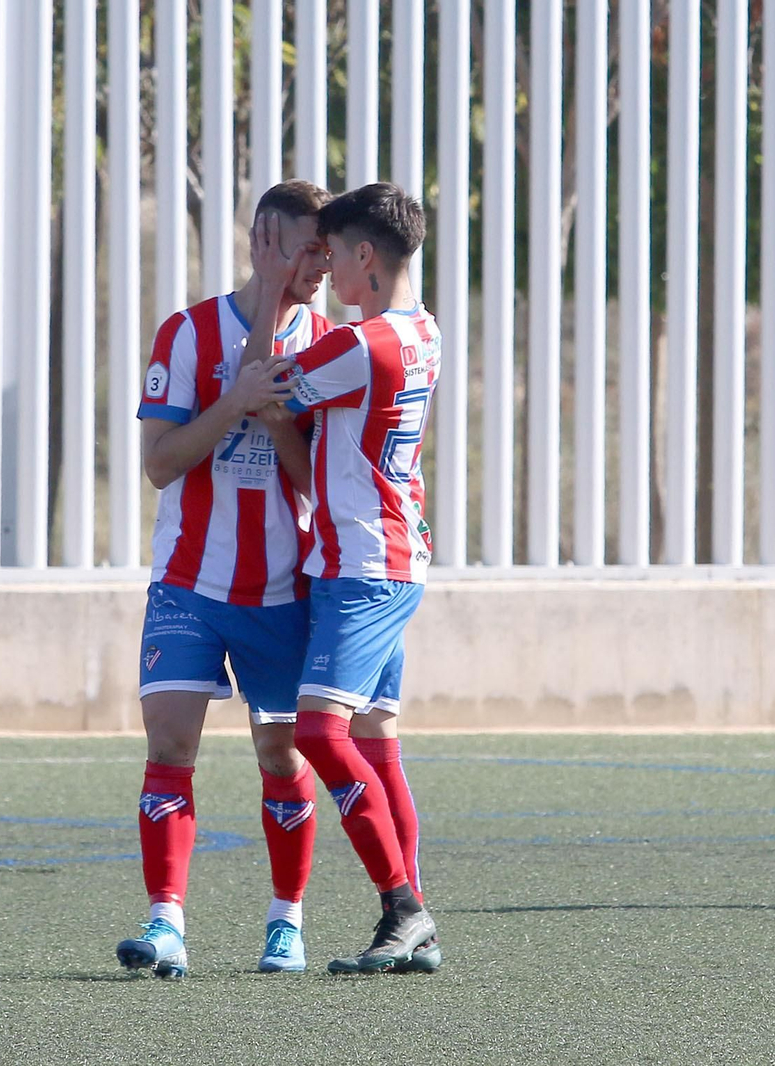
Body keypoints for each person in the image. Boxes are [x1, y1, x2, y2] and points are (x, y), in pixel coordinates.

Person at [115, 180, 334, 979]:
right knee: (171, 743)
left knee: (281, 755)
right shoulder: (187, 334)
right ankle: (166, 921)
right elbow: (160, 465)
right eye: (307, 249)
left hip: (283, 589)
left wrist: (273, 418)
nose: (321, 266)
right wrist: (233, 400)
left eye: (327, 252)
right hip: (189, 584)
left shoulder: (330, 346)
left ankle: (286, 922)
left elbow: (318, 486)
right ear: (263, 243)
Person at [246, 182, 442, 975]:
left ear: (366, 256)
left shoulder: (361, 345)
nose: (325, 270)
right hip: (395, 554)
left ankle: (404, 907)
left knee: (321, 735)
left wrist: (269, 286)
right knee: (376, 743)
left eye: (332, 255)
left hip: (359, 567)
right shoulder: (424, 330)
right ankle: (415, 924)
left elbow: (255, 385)